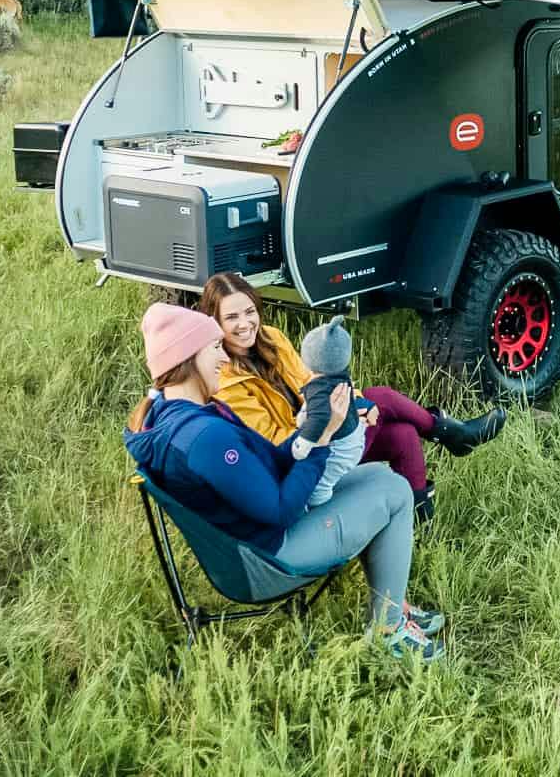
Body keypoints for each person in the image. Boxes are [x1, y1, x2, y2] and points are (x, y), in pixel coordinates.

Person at [123, 303, 443, 661]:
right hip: (268, 560)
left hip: (250, 543)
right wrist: (321, 442)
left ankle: (391, 605)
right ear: (187, 358)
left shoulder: (170, 415)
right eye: (214, 348)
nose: (223, 360)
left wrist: (315, 430)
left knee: (377, 476)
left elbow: (270, 461)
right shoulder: (203, 437)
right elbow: (281, 510)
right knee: (396, 491)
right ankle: (388, 631)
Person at [197, 272, 506, 520]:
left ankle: (420, 520)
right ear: (213, 322)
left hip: (324, 429)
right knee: (380, 396)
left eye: (249, 311)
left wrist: (354, 406)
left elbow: (313, 380)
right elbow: (274, 440)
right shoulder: (224, 379)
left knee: (403, 435)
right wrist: (332, 419)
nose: (244, 324)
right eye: (231, 317)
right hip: (300, 461)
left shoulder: (272, 339)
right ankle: (453, 433)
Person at [293, 315, 371, 508]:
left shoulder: (319, 389)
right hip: (355, 436)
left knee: (319, 487)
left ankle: (324, 510)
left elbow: (319, 418)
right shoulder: (341, 375)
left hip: (339, 447)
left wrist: (302, 444)